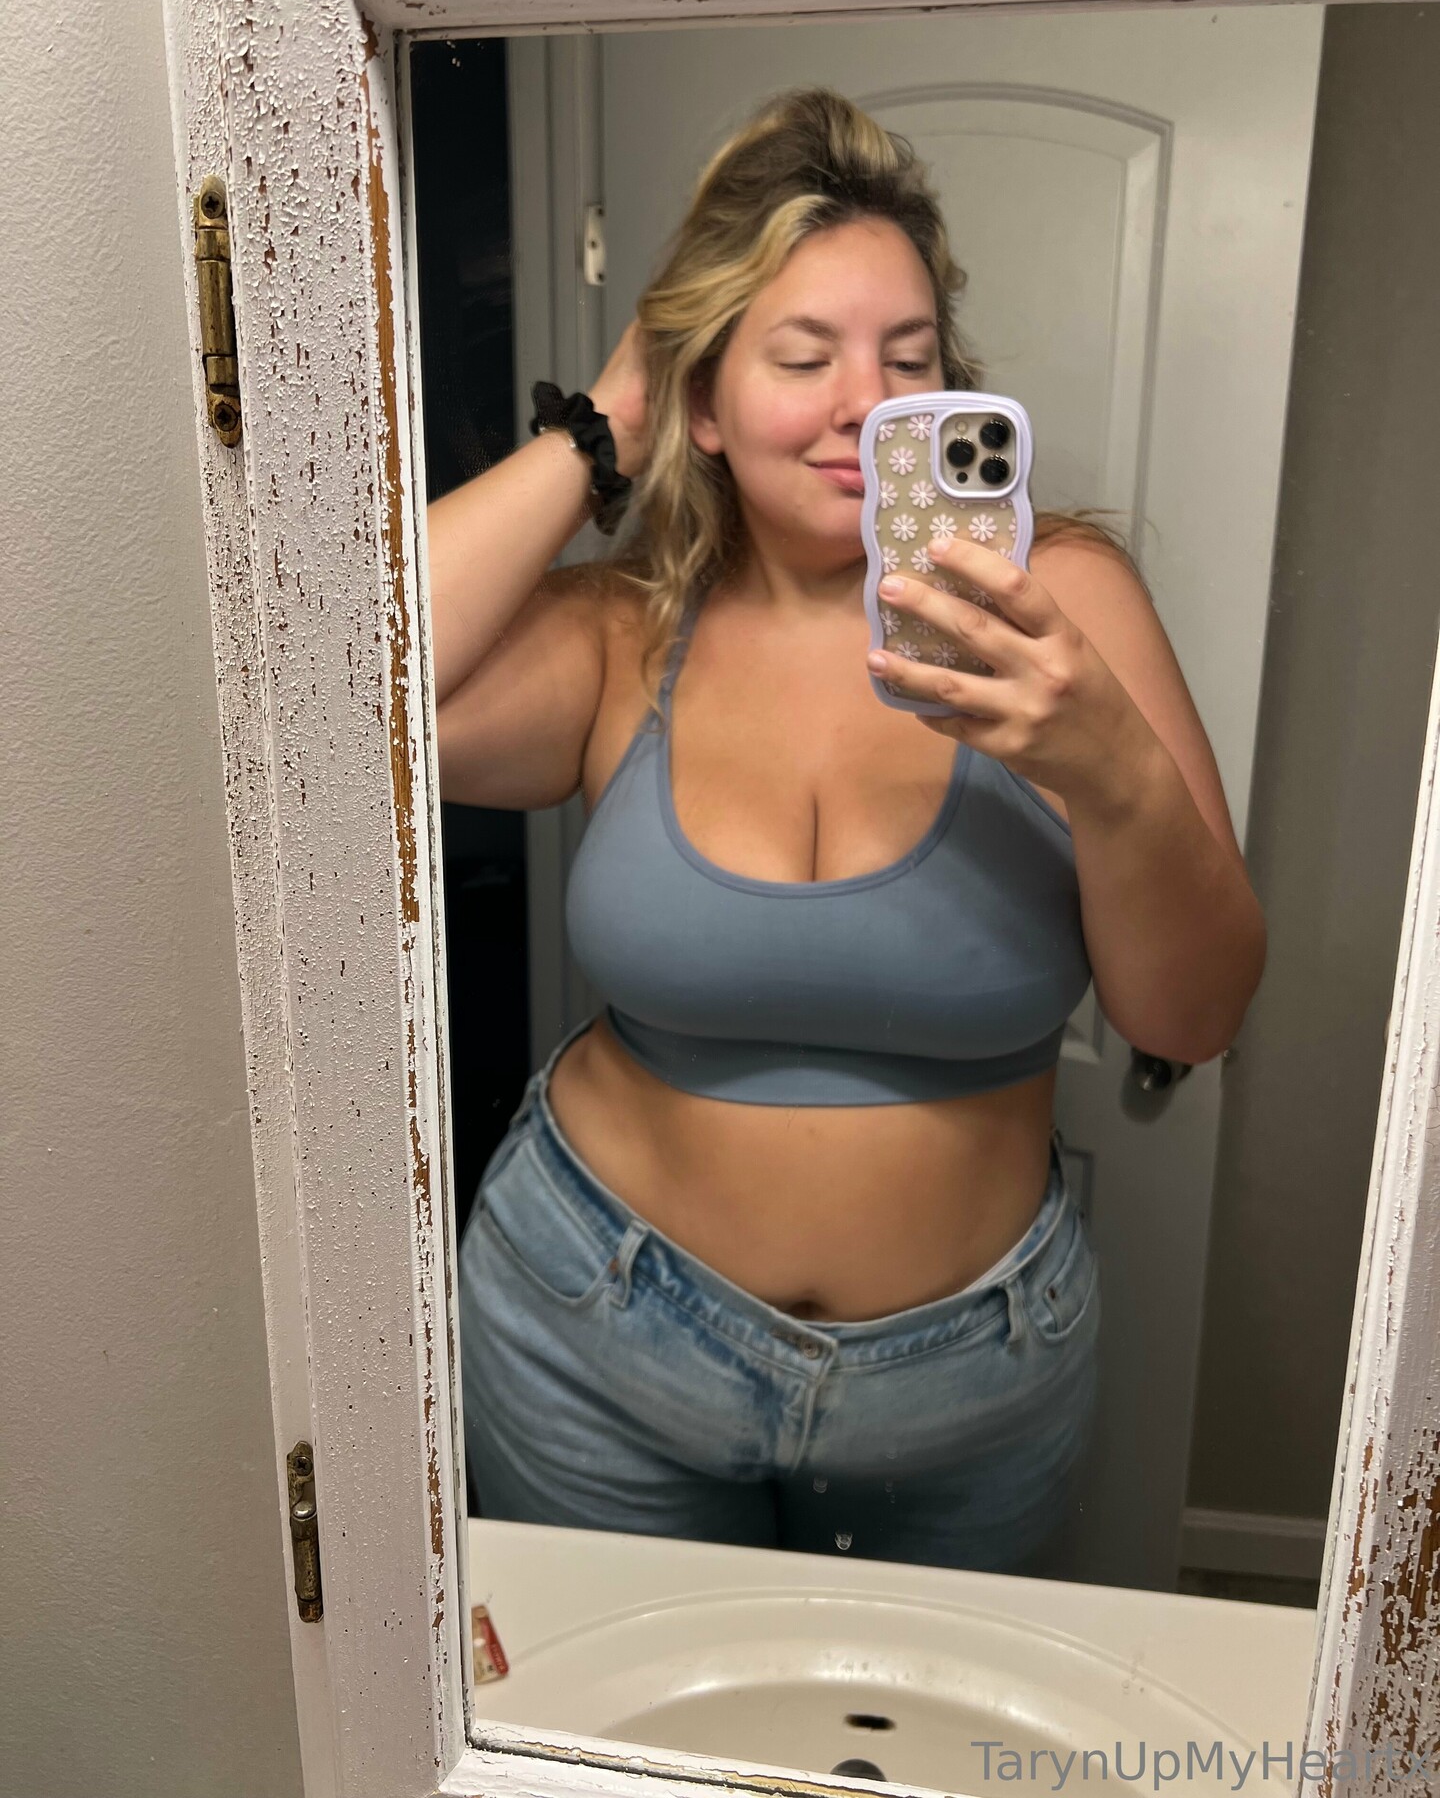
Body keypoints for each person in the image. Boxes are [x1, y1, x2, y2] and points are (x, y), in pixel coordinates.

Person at [430, 87, 1265, 1574]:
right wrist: (603, 424)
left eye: (909, 358)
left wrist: (1108, 769)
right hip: (589, 1326)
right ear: (704, 400)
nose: (864, 404)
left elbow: (1191, 1018)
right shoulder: (627, 632)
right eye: (803, 357)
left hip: (971, 1384)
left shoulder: (1061, 607)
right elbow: (338, 687)